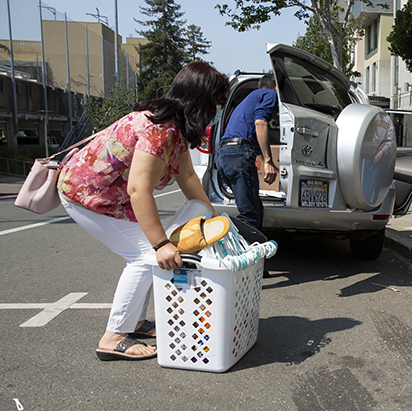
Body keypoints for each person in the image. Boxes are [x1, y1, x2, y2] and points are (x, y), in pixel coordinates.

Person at [57, 62, 230, 361]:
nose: (215, 110)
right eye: (215, 103)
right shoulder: (160, 130)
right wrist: (161, 244)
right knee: (145, 256)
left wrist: (213, 217)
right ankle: (113, 337)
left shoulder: (176, 128)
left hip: (114, 197)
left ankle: (134, 321)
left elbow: (187, 177)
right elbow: (139, 189)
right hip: (86, 194)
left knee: (196, 209)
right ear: (200, 100)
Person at [216, 73, 279, 230]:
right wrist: (268, 161)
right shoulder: (270, 94)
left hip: (225, 154)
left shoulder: (250, 99)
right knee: (249, 215)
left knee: (255, 209)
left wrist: (266, 162)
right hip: (238, 153)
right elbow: (260, 122)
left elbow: (255, 139)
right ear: (276, 87)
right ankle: (238, 251)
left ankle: (256, 250)